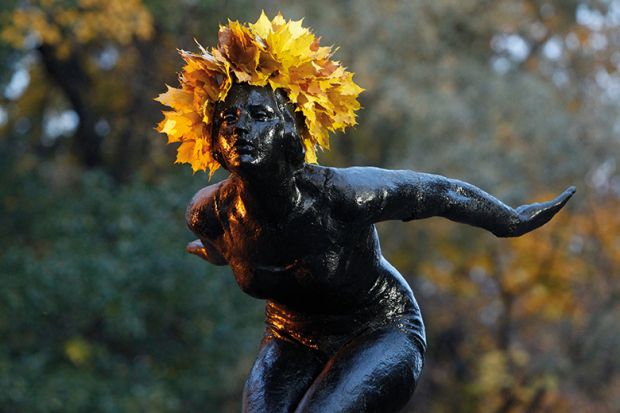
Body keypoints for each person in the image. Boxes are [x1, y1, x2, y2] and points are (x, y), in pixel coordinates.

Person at [157, 13, 575, 413]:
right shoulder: (210, 213)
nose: (240, 128)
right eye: (228, 119)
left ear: (291, 136)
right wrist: (211, 252)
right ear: (213, 139)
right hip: (290, 337)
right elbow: (222, 247)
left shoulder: (343, 195)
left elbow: (441, 193)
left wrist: (509, 221)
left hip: (379, 327)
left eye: (260, 116)